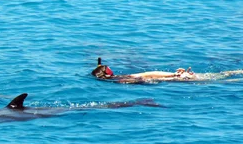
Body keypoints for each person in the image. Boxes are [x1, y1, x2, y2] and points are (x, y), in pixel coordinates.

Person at [91, 58, 243, 84]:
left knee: (222, 79)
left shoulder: (119, 80)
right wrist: (174, 75)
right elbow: (150, 74)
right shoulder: (125, 77)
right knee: (219, 78)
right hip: (178, 79)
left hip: (177, 80)